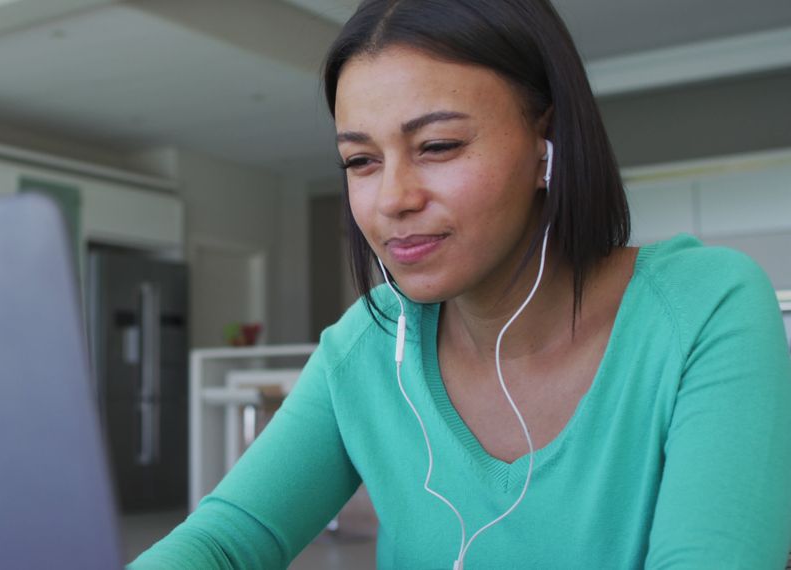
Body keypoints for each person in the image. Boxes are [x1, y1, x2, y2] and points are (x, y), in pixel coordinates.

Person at [129, 0, 791, 567]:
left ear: (547, 146)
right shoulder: (367, 348)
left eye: (438, 146)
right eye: (360, 160)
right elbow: (229, 538)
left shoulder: (705, 310)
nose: (393, 198)